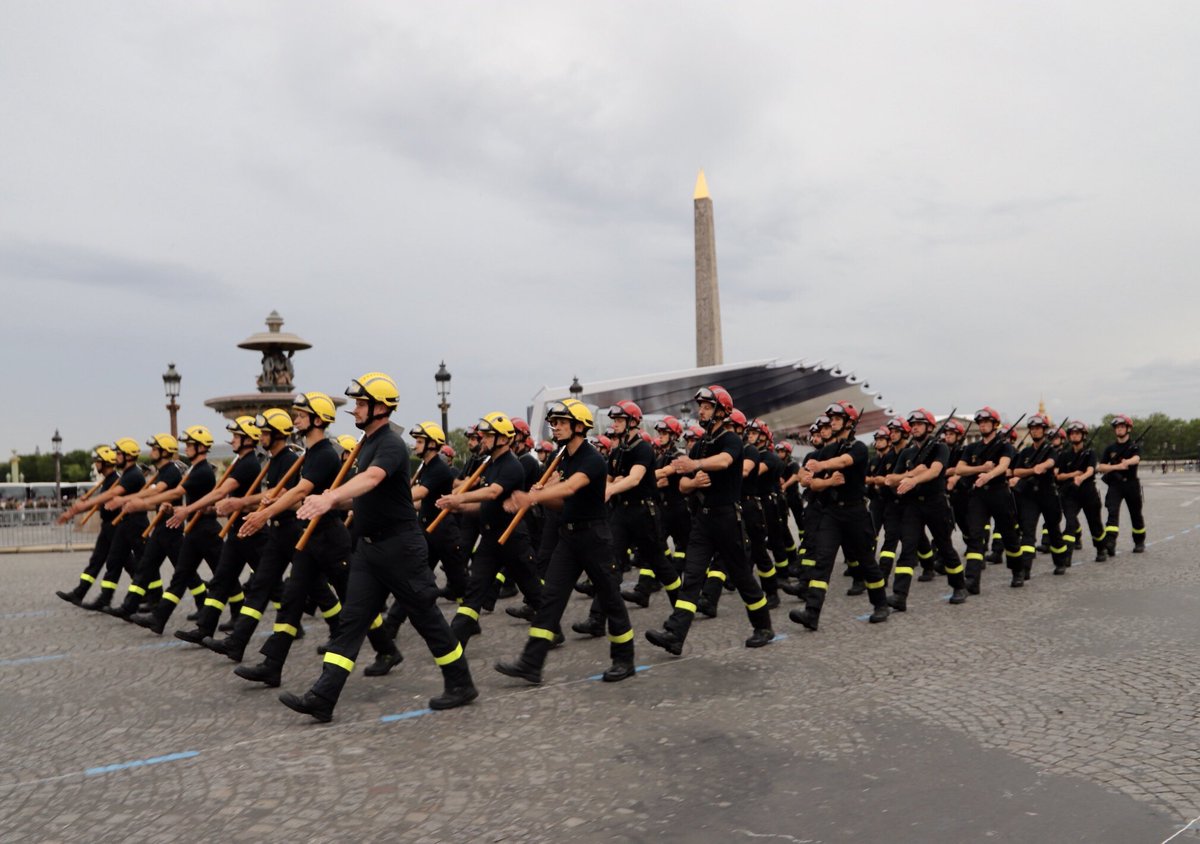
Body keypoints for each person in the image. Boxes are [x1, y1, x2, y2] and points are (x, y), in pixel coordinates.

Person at [280, 372, 476, 721]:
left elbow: (371, 479)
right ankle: (323, 698)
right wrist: (327, 501)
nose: (354, 409)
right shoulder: (365, 443)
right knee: (351, 622)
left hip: (400, 547)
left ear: (380, 407)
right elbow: (363, 496)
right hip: (369, 552)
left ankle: (460, 683)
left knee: (426, 618)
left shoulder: (389, 444)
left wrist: (330, 498)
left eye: (360, 403)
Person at [495, 399, 635, 684]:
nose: (555, 427)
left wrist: (532, 496)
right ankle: (531, 663)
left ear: (579, 426)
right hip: (569, 538)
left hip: (594, 537)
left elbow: (572, 487)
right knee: (550, 599)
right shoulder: (564, 458)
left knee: (610, 598)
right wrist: (544, 495)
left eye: (561, 422)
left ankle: (624, 659)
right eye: (554, 423)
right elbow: (564, 502)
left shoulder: (592, 458)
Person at [644, 385, 775, 655]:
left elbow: (725, 462)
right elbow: (682, 487)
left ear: (721, 411)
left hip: (727, 517)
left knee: (741, 576)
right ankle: (675, 635)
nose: (700, 411)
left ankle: (763, 627)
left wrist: (695, 467)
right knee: (692, 577)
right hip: (702, 521)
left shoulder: (732, 440)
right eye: (700, 406)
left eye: (706, 406)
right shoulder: (701, 444)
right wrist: (692, 482)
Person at [440, 412, 544, 646]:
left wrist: (460, 498)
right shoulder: (491, 464)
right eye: (483, 436)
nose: (483, 440)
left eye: (488, 436)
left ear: (504, 439)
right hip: (490, 540)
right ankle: (455, 642)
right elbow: (486, 504)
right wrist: (461, 508)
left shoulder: (512, 465)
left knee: (534, 591)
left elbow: (493, 492)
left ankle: (552, 629)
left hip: (513, 540)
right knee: (474, 592)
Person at [789, 403, 890, 631]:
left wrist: (822, 465)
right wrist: (820, 479)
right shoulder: (826, 450)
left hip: (855, 513)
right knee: (822, 562)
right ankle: (811, 613)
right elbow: (808, 482)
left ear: (849, 423)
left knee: (866, 561)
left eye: (837, 418)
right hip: (832, 513)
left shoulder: (859, 448)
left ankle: (880, 604)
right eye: (831, 418)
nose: (832, 422)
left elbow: (844, 462)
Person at [885, 409, 969, 610]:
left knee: (945, 546)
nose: (914, 427)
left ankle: (959, 586)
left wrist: (912, 479)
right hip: (913, 505)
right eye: (912, 424)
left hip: (935, 503)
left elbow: (935, 471)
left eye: (919, 424)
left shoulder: (940, 448)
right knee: (907, 549)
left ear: (930, 428)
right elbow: (892, 479)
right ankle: (899, 595)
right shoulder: (907, 452)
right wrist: (911, 473)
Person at [105, 434, 190, 619]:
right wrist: (137, 502)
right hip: (161, 525)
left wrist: (133, 500)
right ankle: (131, 606)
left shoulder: (171, 471)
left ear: (164, 451)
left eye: (154, 448)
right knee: (145, 566)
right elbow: (156, 500)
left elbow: (159, 492)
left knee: (184, 571)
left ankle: (202, 603)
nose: (151, 452)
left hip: (171, 527)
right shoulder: (163, 471)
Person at [954, 408, 1023, 591]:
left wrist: (989, 475)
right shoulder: (971, 448)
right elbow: (959, 469)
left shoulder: (1004, 445)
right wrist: (980, 469)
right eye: (980, 422)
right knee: (975, 536)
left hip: (999, 493)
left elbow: (1003, 466)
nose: (983, 424)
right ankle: (972, 580)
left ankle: (1017, 571)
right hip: (978, 495)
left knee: (1009, 536)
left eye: (986, 421)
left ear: (995, 424)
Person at [80, 438, 151, 610]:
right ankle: (106, 598)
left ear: (128, 456)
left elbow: (115, 494)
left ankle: (151, 598)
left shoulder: (133, 474)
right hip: (124, 523)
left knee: (144, 562)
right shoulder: (126, 474)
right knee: (114, 560)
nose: (115, 456)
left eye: (119, 453)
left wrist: (85, 504)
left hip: (135, 523)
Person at [55, 446, 121, 605]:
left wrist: (74, 511)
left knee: (126, 562)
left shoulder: (115, 480)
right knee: (97, 560)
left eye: (98, 461)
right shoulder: (108, 480)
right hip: (108, 526)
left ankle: (148, 595)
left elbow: (105, 500)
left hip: (116, 526)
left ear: (105, 463)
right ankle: (80, 592)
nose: (95, 464)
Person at [1010, 414, 1071, 578]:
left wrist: (1043, 465)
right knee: (1028, 531)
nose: (1035, 431)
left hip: (1047, 494)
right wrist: (1033, 470)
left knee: (1053, 530)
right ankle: (1025, 568)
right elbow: (1017, 471)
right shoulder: (1026, 452)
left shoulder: (1050, 449)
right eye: (1033, 429)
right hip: (1029, 495)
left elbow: (1051, 462)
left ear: (1044, 430)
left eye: (1038, 428)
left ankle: (1060, 561)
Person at [1055, 421, 1108, 563]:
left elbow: (1091, 470)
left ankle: (1101, 548)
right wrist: (1073, 475)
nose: (1074, 436)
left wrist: (1081, 477)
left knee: (1095, 524)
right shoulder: (1064, 455)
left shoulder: (1090, 453)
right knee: (1070, 524)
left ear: (1083, 435)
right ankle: (1066, 556)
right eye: (1072, 433)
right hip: (1070, 494)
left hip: (1088, 492)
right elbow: (1058, 476)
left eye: (1077, 433)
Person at [1097, 414, 1146, 554]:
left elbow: (1137, 458)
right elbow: (1101, 466)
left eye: (1122, 427)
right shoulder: (1110, 448)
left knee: (1135, 514)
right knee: (1112, 512)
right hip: (1115, 485)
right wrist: (1116, 467)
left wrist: (1127, 462)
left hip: (1131, 484)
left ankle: (1139, 541)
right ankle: (1110, 542)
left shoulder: (1134, 446)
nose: (1119, 429)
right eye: (1117, 427)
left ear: (1128, 429)